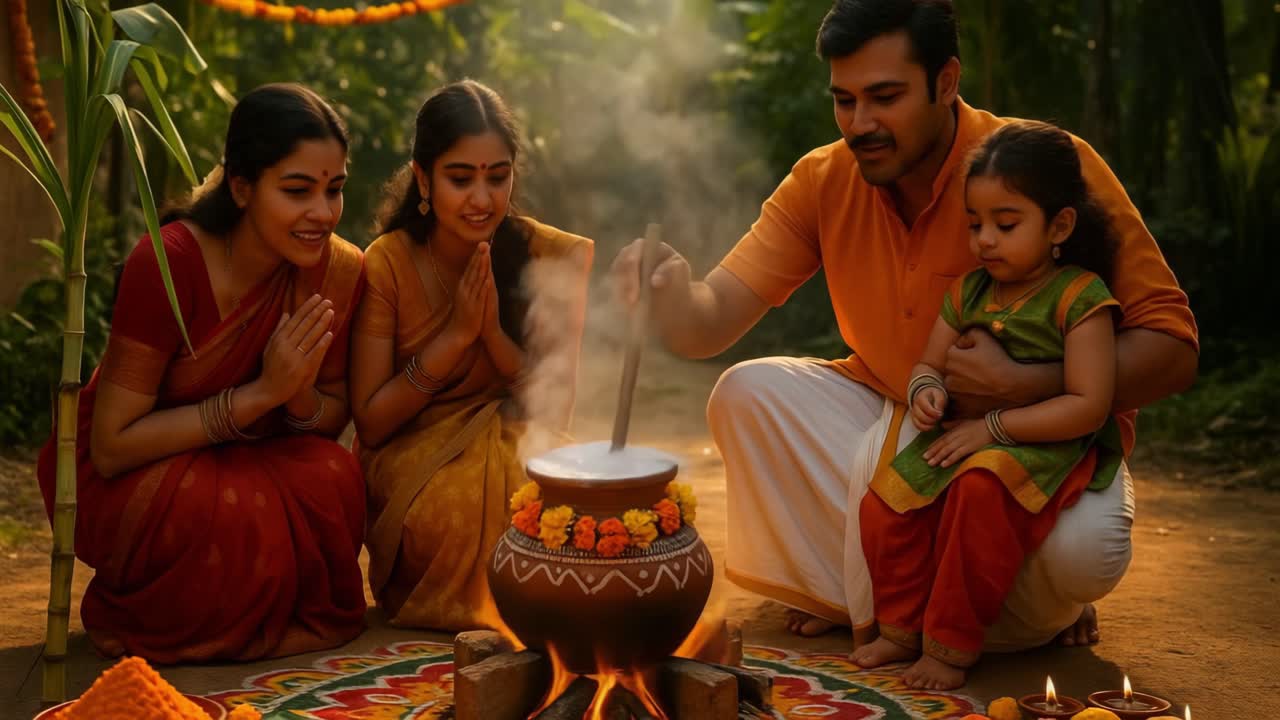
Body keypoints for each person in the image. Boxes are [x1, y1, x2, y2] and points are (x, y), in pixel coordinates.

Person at [611, 0, 1197, 655]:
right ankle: (899, 601)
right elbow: (705, 326)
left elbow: (1173, 348)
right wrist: (668, 293)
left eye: (884, 97)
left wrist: (1026, 384)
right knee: (747, 396)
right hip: (902, 416)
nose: (861, 124)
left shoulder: (1046, 165)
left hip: (1042, 441)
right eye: (844, 100)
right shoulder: (823, 179)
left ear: (946, 82)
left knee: (1087, 553)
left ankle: (965, 610)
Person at [36, 83, 368, 663]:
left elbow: (330, 417)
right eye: (297, 191)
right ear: (241, 187)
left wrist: (295, 397)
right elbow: (112, 446)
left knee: (336, 476)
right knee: (217, 513)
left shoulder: (338, 270)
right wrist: (260, 393)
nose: (323, 213)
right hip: (141, 466)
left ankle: (250, 618)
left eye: (334, 189)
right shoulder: (169, 263)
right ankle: (190, 623)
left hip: (256, 454)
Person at [855, 120, 1123, 689]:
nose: (985, 240)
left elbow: (1088, 407)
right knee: (888, 505)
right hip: (967, 433)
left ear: (1060, 226)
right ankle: (900, 631)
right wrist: (926, 392)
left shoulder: (1082, 298)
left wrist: (994, 429)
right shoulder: (968, 291)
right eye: (975, 224)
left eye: (1006, 224)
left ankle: (951, 647)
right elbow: (929, 365)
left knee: (978, 496)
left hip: (1048, 443)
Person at [350, 79, 593, 631]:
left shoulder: (548, 256)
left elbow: (554, 414)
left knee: (575, 503)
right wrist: (453, 340)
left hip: (518, 435)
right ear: (423, 179)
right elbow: (371, 421)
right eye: (460, 179)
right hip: (413, 454)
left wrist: (494, 339)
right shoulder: (388, 262)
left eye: (497, 177)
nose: (482, 200)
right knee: (451, 510)